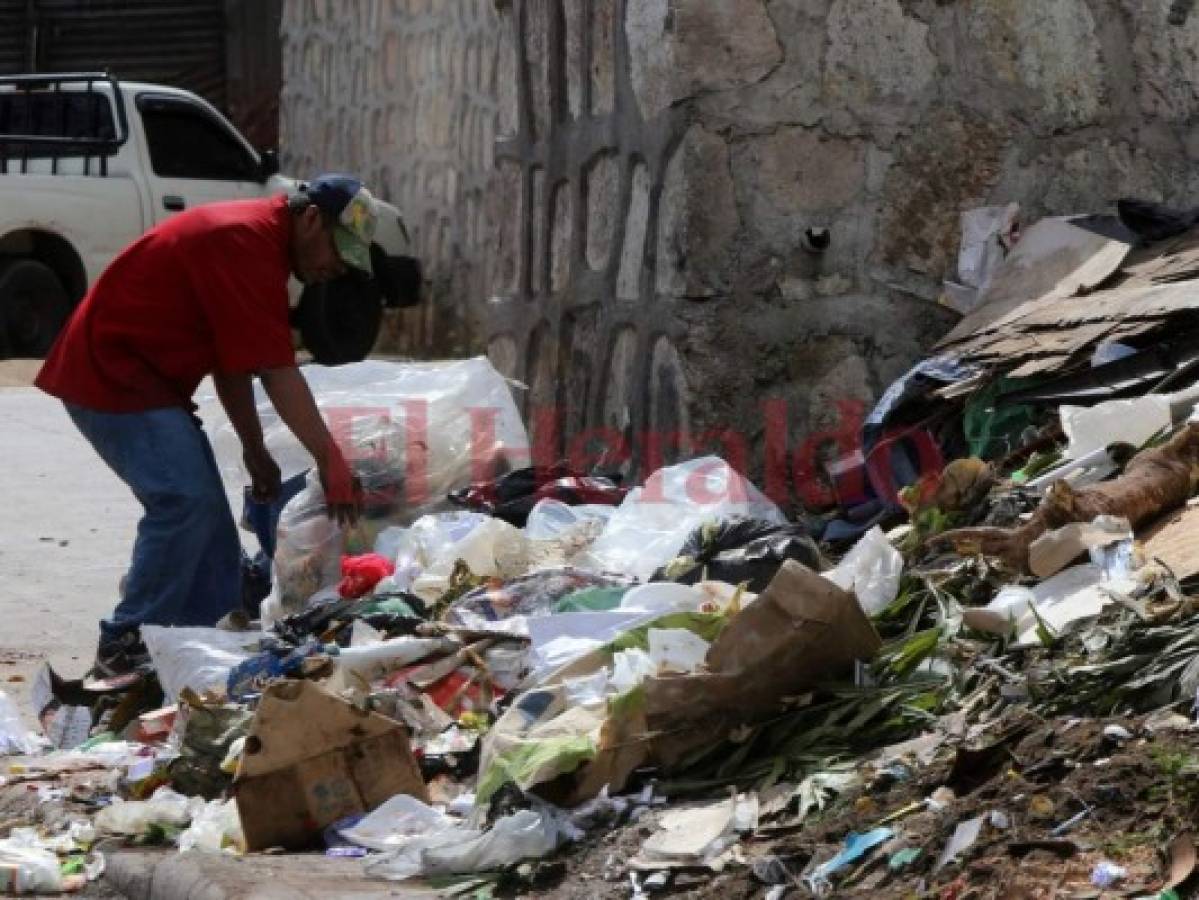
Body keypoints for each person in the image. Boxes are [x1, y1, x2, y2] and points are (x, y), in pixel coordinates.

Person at [35, 173, 376, 677]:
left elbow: (233, 361)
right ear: (309, 220)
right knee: (184, 503)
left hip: (150, 383)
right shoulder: (245, 242)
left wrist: (254, 447)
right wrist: (331, 459)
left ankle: (192, 653)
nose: (335, 268)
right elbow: (278, 373)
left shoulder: (260, 244)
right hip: (112, 374)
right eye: (335, 249)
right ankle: (127, 641)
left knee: (214, 536)